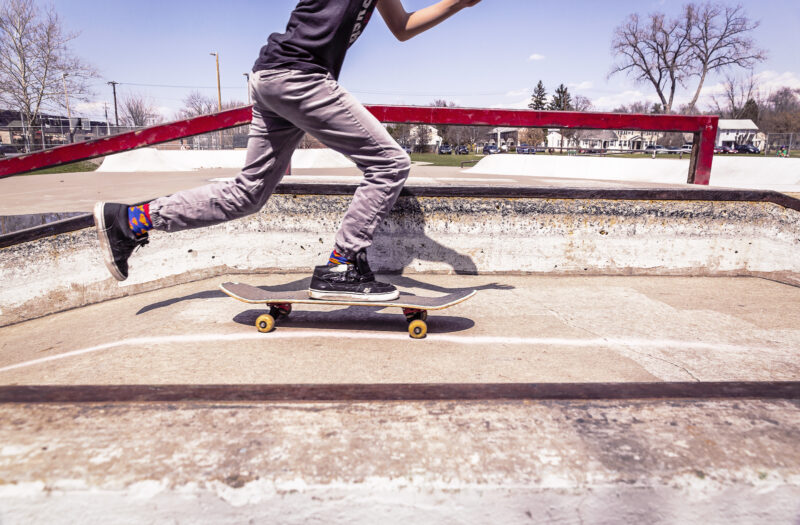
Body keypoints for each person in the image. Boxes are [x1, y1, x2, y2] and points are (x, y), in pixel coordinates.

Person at [94, 0, 481, 302]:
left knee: (248, 193)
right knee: (390, 162)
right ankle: (342, 266)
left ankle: (131, 220)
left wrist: (457, 5)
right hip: (299, 75)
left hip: (274, 76)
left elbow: (401, 26)